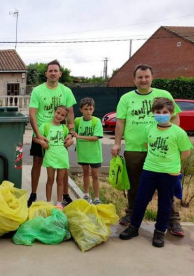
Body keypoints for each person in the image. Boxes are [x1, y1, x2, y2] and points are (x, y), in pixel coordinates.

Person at [111, 64, 185, 236]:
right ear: (134, 79)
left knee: (166, 187)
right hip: (134, 149)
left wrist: (172, 142)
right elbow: (120, 122)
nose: (143, 80)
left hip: (161, 151)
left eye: (146, 76)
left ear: (152, 77)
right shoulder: (126, 98)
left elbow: (175, 118)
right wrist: (116, 143)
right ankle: (131, 215)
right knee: (135, 186)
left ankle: (173, 221)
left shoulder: (164, 95)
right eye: (140, 77)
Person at [119, 98, 192, 247]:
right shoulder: (149, 128)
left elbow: (185, 152)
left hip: (169, 173)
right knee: (141, 200)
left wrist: (171, 162)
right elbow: (147, 145)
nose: (161, 115)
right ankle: (134, 227)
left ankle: (160, 231)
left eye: (164, 112)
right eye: (157, 112)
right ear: (153, 113)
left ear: (171, 113)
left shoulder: (178, 132)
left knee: (165, 203)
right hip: (150, 170)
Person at [28, 60, 76, 207]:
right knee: (37, 163)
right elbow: (32, 114)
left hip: (59, 134)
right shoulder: (37, 91)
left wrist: (71, 134)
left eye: (56, 71)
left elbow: (71, 114)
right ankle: (33, 193)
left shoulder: (66, 91)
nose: (53, 73)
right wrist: (37, 134)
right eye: (51, 70)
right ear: (46, 73)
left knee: (62, 165)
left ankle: (65, 195)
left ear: (60, 74)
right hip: (42, 131)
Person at [33, 106, 71, 209]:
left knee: (60, 180)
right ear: (54, 112)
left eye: (62, 115)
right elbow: (35, 138)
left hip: (62, 157)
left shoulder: (64, 128)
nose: (59, 116)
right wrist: (41, 142)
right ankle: (48, 202)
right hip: (50, 156)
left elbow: (69, 139)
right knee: (50, 180)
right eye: (58, 113)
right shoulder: (45, 126)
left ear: (65, 117)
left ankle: (59, 202)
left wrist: (70, 140)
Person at [73, 98, 103, 205]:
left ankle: (96, 198)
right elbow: (71, 130)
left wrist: (79, 136)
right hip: (83, 152)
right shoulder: (77, 121)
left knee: (95, 174)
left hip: (94, 153)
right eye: (86, 109)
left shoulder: (96, 121)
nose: (88, 111)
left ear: (93, 109)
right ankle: (86, 194)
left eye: (90, 109)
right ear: (81, 109)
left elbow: (95, 137)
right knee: (85, 172)